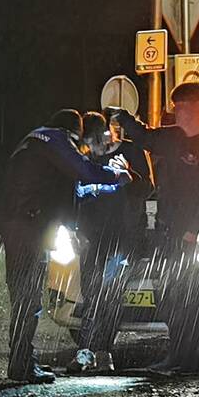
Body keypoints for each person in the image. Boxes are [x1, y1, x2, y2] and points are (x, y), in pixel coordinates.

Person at [0, 110, 127, 383]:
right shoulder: (54, 139)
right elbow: (80, 170)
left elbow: (68, 190)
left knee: (25, 297)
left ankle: (21, 361)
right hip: (27, 229)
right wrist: (115, 176)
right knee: (27, 298)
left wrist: (101, 188)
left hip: (20, 226)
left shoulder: (36, 144)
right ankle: (21, 365)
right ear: (74, 133)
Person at [110, 80, 199, 374]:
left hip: (190, 235)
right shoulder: (173, 138)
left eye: (181, 107)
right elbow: (144, 137)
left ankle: (194, 356)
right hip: (166, 229)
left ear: (198, 109)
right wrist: (122, 117)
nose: (176, 112)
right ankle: (180, 355)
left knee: (188, 296)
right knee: (171, 296)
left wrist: (196, 228)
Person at [71, 110, 150, 373]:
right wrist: (76, 229)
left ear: (106, 134)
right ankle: (93, 353)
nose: (89, 149)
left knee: (110, 292)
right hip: (91, 236)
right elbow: (76, 197)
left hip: (123, 235)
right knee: (91, 292)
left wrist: (129, 175)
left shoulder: (130, 152)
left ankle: (98, 353)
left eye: (91, 142)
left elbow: (147, 188)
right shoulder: (85, 158)